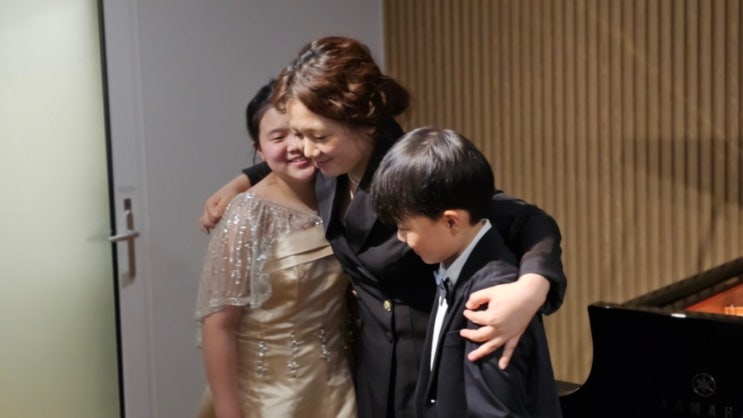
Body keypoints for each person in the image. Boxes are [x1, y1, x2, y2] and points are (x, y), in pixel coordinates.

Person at [200, 36, 566, 418]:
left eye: (318, 137)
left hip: (431, 368)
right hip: (371, 369)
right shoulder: (329, 167)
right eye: (300, 135)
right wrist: (245, 178)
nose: (306, 150)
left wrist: (532, 289)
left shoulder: (410, 170)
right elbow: (287, 153)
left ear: (364, 122)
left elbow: (528, 220)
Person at [370, 127, 562, 418]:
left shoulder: (490, 302)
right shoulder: (456, 259)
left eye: (404, 227)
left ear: (451, 222)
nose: (400, 238)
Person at [194, 80, 357, 418]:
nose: (296, 146)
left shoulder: (340, 190)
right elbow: (219, 326)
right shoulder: (247, 213)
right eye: (279, 137)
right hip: (269, 396)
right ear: (259, 149)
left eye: (301, 133)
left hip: (339, 385)